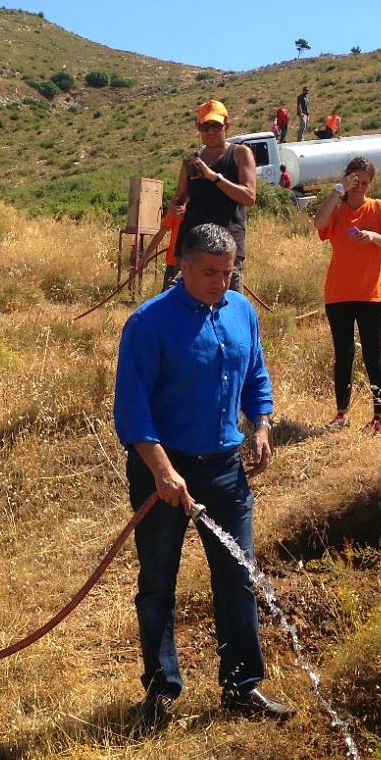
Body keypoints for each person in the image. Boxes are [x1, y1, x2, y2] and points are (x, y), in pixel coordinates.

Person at [113, 223, 293, 729]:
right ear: (183, 268)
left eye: (228, 271)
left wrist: (261, 425)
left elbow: (256, 374)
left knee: (238, 577)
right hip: (162, 472)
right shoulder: (148, 324)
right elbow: (132, 412)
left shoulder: (241, 312)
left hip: (224, 469)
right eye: (209, 272)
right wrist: (164, 473)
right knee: (158, 582)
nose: (220, 281)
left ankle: (242, 687)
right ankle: (160, 693)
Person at [315, 157, 381, 434]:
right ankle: (341, 414)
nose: (359, 187)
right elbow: (319, 223)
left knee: (373, 355)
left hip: (372, 293)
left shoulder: (379, 208)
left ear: (370, 184)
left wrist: (373, 236)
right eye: (355, 181)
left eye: (364, 183)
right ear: (347, 179)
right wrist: (337, 190)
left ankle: (380, 416)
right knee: (344, 354)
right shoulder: (337, 208)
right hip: (338, 293)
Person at [175, 99, 257, 293]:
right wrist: (178, 205)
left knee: (228, 308)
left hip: (226, 250)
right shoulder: (191, 161)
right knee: (183, 308)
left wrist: (213, 177)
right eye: (205, 126)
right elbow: (180, 197)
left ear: (226, 125)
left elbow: (249, 197)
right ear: (198, 127)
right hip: (192, 248)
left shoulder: (240, 154)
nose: (211, 131)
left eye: (216, 125)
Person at [142, 194, 188, 292]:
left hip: (194, 267)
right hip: (173, 263)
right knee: (167, 300)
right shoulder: (177, 207)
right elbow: (161, 232)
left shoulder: (203, 209)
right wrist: (145, 257)